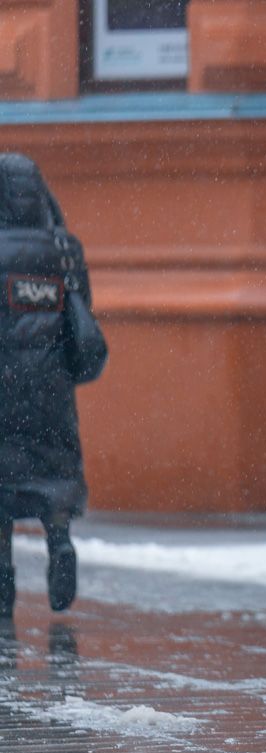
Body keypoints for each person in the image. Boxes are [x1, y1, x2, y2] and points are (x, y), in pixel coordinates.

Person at [0, 153, 102, 618]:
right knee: (53, 474)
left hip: (4, 386)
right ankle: (60, 544)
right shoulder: (64, 249)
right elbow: (79, 322)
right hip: (51, 390)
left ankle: (3, 578)